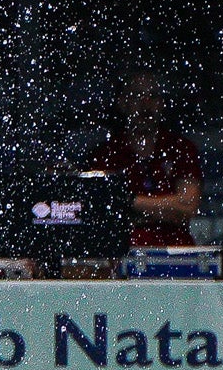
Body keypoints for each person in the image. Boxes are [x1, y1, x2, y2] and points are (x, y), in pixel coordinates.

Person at [86, 71, 204, 250]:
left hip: (175, 253)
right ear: (122, 103)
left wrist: (129, 202)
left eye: (153, 96)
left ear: (162, 103)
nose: (146, 104)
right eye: (137, 96)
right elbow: (99, 214)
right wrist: (165, 208)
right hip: (122, 253)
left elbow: (187, 208)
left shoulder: (181, 148)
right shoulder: (106, 154)